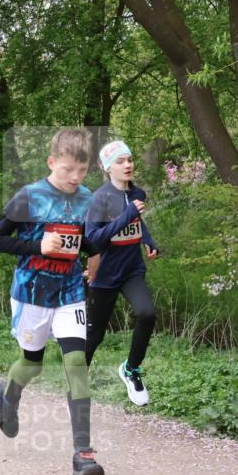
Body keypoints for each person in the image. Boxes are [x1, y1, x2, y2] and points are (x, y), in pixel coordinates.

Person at [0, 128, 104, 475]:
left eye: (82, 171)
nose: (75, 178)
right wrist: (39, 246)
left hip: (70, 291)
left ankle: (82, 454)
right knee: (32, 365)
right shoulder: (29, 197)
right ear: (52, 162)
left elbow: (89, 241)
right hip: (31, 294)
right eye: (68, 169)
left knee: (76, 364)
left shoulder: (88, 199)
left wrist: (95, 257)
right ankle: (7, 392)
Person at [84, 140, 160, 406]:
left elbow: (137, 222)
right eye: (120, 161)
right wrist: (126, 216)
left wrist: (148, 241)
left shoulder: (137, 193)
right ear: (108, 168)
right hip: (104, 275)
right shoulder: (99, 199)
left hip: (131, 270)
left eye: (129, 159)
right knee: (95, 333)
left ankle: (131, 369)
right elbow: (93, 239)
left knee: (147, 314)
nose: (127, 165)